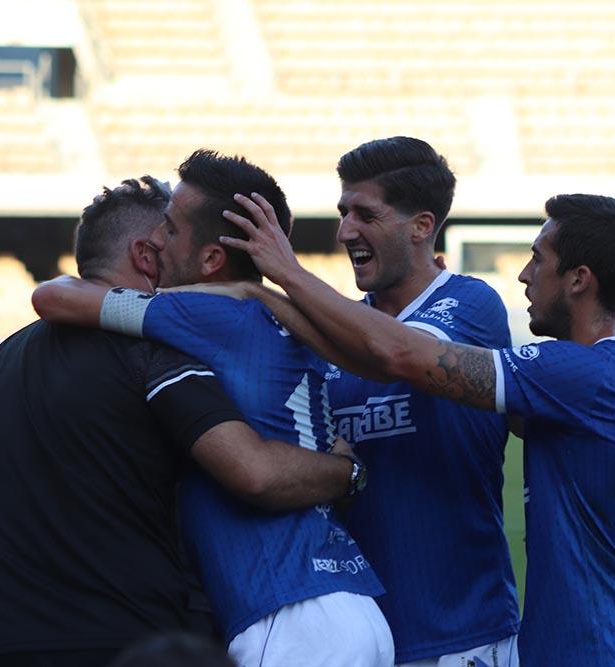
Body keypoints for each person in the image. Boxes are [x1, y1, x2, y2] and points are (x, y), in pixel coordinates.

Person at [214, 191, 615, 666]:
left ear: (579, 280)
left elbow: (410, 358)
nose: (524, 275)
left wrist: (280, 279)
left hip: (597, 651)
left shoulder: (580, 373)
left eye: (538, 260)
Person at [0, 177, 362, 667]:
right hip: (130, 644)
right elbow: (252, 470)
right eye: (166, 234)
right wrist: (349, 472)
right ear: (146, 256)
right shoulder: (156, 354)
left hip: (0, 646)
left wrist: (18, 598)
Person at [32, 151, 393, 667]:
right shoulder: (292, 320)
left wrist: (241, 291)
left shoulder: (201, 312)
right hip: (351, 601)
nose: (157, 240)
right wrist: (258, 290)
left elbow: (54, 297)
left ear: (211, 261)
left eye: (172, 229)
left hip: (287, 617)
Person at [319, 137, 519, 665]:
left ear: (421, 226)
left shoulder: (472, 304)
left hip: (462, 635)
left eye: (365, 213)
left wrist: (280, 276)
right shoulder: (335, 335)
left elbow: (399, 352)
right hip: (359, 637)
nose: (345, 231)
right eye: (343, 213)